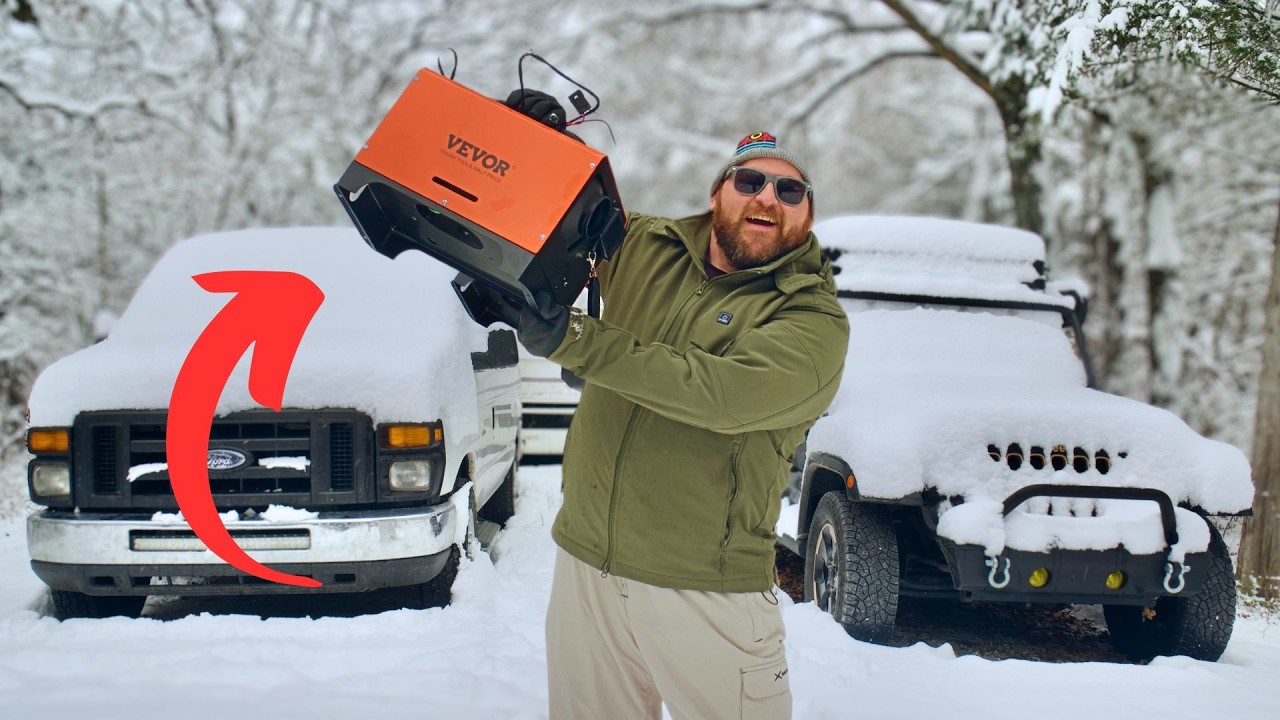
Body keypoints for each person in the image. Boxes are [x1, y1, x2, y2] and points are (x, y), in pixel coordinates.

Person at [512, 104, 849, 720]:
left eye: (790, 189)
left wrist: (577, 341)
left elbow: (717, 395)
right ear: (718, 193)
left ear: (807, 214)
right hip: (587, 567)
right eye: (750, 181)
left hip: (708, 592)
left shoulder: (812, 321)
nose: (768, 197)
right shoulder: (644, 245)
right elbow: (545, 220)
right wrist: (533, 151)